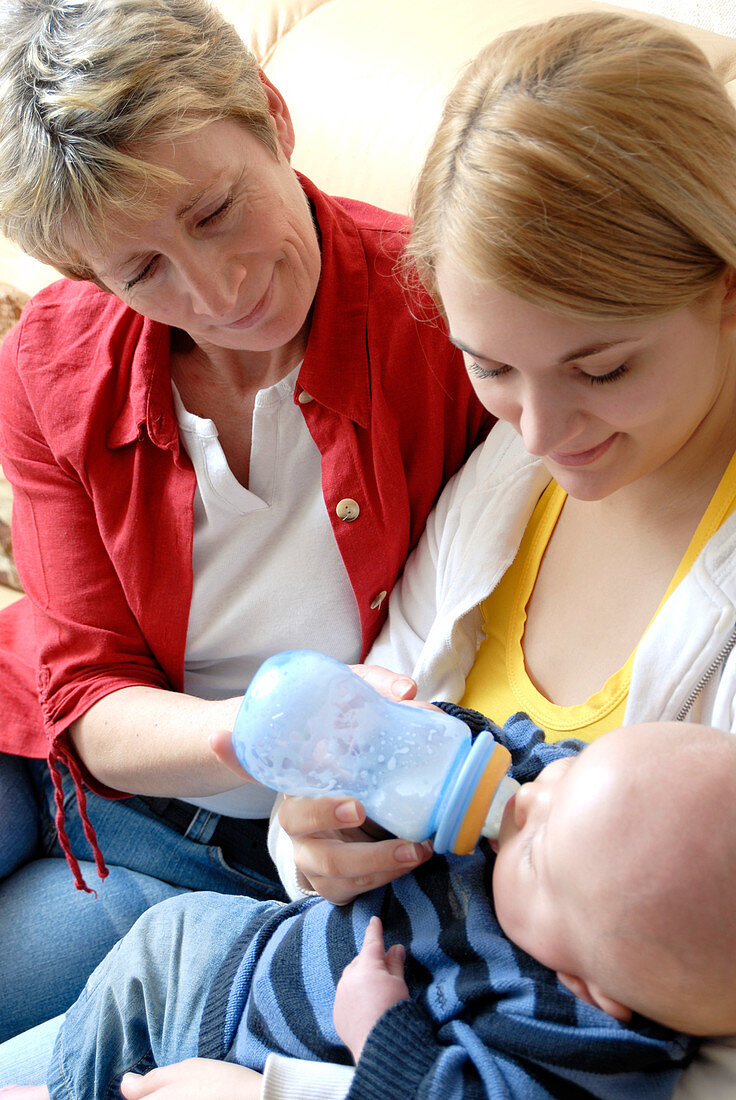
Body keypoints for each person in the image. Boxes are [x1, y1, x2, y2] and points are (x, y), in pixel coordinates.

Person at [0, 0, 489, 1041]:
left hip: (224, 854)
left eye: (216, 209)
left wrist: (299, 753)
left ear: (270, 112)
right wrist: (256, 731)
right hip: (45, 751)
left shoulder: (449, 318)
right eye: (141, 273)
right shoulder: (49, 363)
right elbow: (82, 686)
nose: (215, 289)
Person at [10, 711, 736, 1100]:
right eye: (569, 774)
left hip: (230, 1032)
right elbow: (506, 752)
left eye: (538, 855)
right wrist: (429, 742)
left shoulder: (572, 1039)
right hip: (252, 941)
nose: (525, 805)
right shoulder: (579, 809)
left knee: (108, 1046)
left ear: (592, 989)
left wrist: (383, 1029)